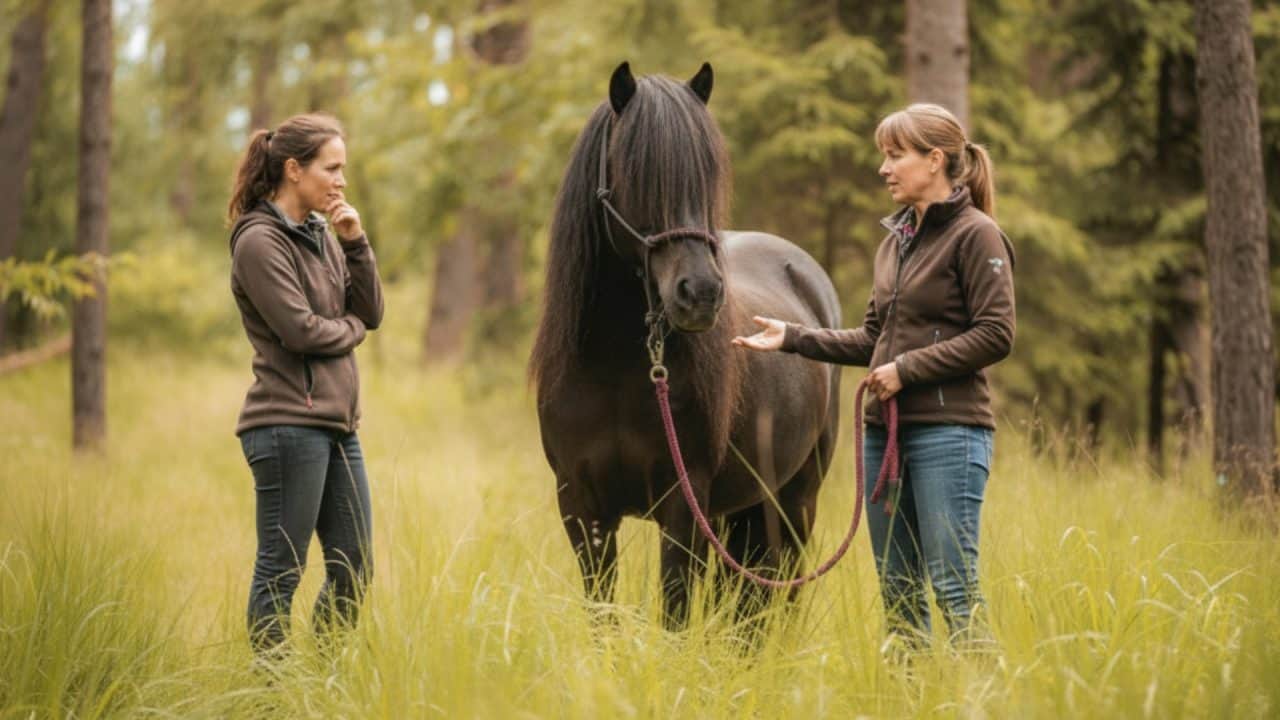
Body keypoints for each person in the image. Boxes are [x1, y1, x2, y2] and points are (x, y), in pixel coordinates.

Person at [733, 103, 1015, 652]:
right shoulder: (896, 242)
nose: (884, 169)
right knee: (900, 596)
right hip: (883, 437)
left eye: (895, 156)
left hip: (949, 435)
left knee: (956, 591)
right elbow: (871, 340)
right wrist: (792, 337)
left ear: (934, 160)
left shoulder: (978, 236)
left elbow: (997, 333)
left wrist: (906, 370)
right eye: (883, 156)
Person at [226, 113, 385, 655]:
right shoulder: (258, 241)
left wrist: (356, 242)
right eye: (331, 168)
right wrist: (351, 329)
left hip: (338, 426)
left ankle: (318, 684)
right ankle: (272, 702)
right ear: (294, 170)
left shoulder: (323, 234)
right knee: (281, 572)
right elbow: (300, 331)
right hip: (286, 425)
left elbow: (372, 312)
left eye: (344, 168)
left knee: (354, 568)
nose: (341, 180)